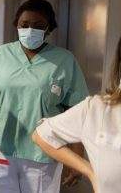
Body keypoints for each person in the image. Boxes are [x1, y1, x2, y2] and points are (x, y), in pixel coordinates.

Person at [0, 0, 89, 193]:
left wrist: (77, 159)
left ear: (48, 28)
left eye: (38, 26)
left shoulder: (64, 60)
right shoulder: (0, 55)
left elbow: (78, 110)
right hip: (0, 148)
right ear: (16, 25)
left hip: (45, 152)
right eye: (25, 24)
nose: (30, 30)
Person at [32, 35, 121, 193]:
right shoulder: (97, 109)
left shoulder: (66, 60)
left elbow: (74, 98)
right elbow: (42, 135)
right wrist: (89, 170)